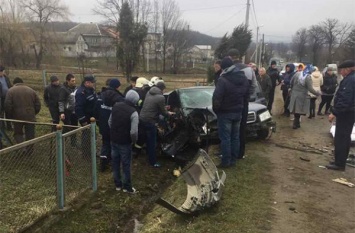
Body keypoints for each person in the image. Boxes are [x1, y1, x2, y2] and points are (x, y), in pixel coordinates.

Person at [212, 56, 249, 168]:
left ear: (224, 68)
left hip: (225, 112)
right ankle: (233, 160)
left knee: (226, 138)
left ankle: (226, 162)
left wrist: (216, 110)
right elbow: (247, 94)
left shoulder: (223, 79)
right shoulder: (243, 78)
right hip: (238, 111)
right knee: (235, 137)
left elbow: (216, 98)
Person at [227, 49, 257, 160]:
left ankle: (229, 152)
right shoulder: (249, 69)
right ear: (239, 57)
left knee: (230, 128)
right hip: (244, 101)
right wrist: (247, 95)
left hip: (231, 102)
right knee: (242, 127)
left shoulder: (228, 70)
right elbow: (254, 85)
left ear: (230, 57)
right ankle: (240, 153)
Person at [326, 60, 355, 171]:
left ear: (347, 69)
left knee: (341, 137)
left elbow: (345, 99)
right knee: (344, 137)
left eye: (342, 70)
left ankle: (339, 163)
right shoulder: (351, 79)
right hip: (349, 112)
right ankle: (339, 160)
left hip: (346, 113)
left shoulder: (350, 80)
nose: (341, 73)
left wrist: (334, 112)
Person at [108, 90, 140, 193]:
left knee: (115, 163)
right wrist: (133, 141)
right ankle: (127, 187)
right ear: (135, 101)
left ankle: (118, 185)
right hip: (125, 142)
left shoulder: (116, 106)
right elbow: (134, 132)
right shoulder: (133, 113)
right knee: (126, 165)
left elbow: (110, 122)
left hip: (113, 140)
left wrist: (114, 132)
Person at [140, 80, 174, 167]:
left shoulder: (149, 92)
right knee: (152, 141)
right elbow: (164, 113)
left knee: (146, 138)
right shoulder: (161, 97)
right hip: (150, 121)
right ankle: (153, 162)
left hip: (142, 118)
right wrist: (169, 113)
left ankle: (146, 153)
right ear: (162, 89)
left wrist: (164, 107)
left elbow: (152, 105)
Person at [4, 77, 41, 146]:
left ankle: (21, 147)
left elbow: (7, 105)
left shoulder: (10, 91)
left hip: (17, 116)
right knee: (30, 133)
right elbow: (38, 104)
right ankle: (30, 149)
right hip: (30, 116)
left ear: (14, 83)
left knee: (18, 133)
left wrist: (11, 115)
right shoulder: (31, 90)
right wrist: (33, 113)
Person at [98, 78, 124, 171]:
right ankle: (112, 161)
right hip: (113, 124)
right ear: (117, 86)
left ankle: (103, 161)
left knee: (105, 143)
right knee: (113, 144)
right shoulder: (118, 97)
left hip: (102, 122)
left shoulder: (101, 95)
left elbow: (96, 108)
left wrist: (98, 121)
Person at [288, 65, 320, 129]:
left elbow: (291, 82)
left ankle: (297, 123)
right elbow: (310, 88)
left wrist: (292, 89)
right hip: (302, 96)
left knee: (296, 109)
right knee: (298, 110)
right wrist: (317, 93)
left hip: (294, 94)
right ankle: (295, 124)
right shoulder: (308, 77)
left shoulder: (297, 74)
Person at [75, 75, 97, 156]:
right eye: (92, 82)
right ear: (87, 83)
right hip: (86, 118)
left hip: (92, 118)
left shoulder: (91, 90)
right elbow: (78, 108)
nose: (93, 84)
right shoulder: (81, 92)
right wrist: (83, 120)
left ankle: (92, 151)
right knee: (86, 135)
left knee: (92, 135)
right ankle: (86, 153)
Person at [0, 66, 12, 130]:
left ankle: (9, 126)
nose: (2, 73)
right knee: (1, 112)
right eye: (1, 72)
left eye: (3, 71)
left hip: (7, 97)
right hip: (1, 98)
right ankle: (2, 127)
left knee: (8, 112)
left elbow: (9, 85)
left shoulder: (6, 78)